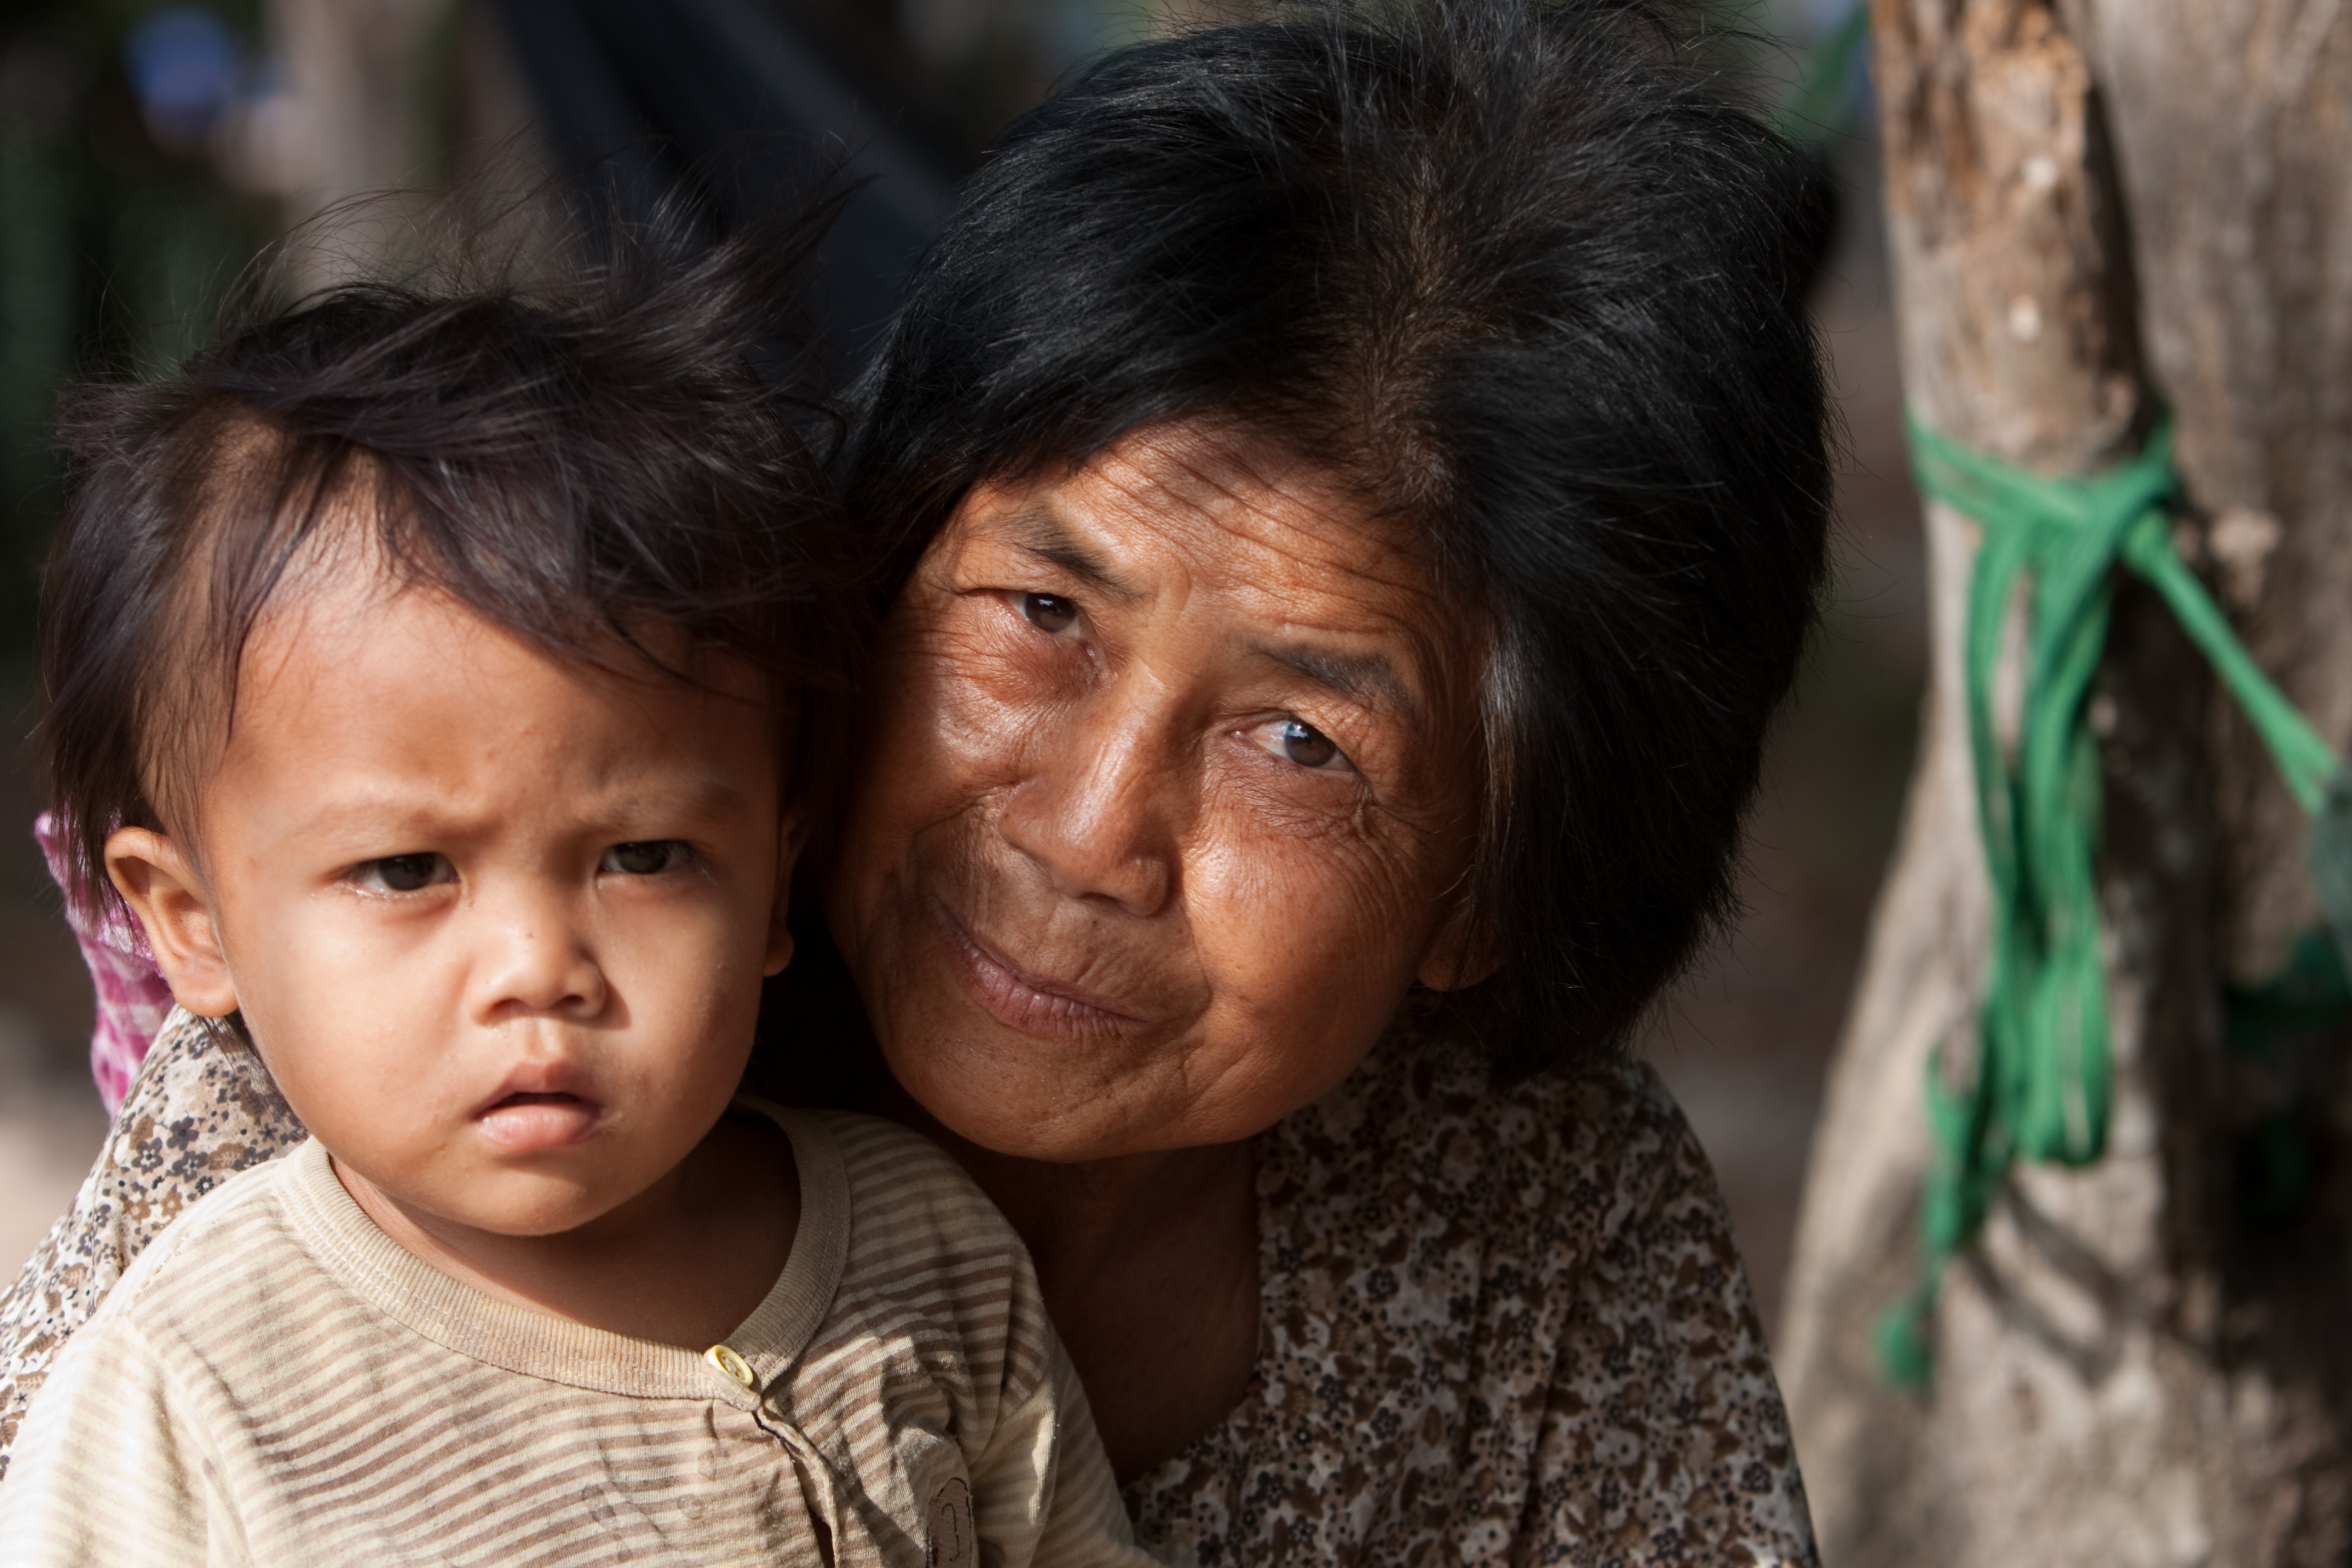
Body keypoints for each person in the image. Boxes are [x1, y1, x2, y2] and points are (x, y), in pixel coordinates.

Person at [2, 2, 1834, 1560]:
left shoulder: (1533, 1215)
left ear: (1489, 892)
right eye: (1041, 611)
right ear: (882, 555)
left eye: (1302, 741)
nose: (1087, 829)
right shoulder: (426, 1083)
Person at [0, 221, 1150, 1566]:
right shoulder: (186, 1395)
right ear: (192, 923)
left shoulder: (930, 1254)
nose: (539, 967)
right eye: (407, 871)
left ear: (778, 874)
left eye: (645, 857)